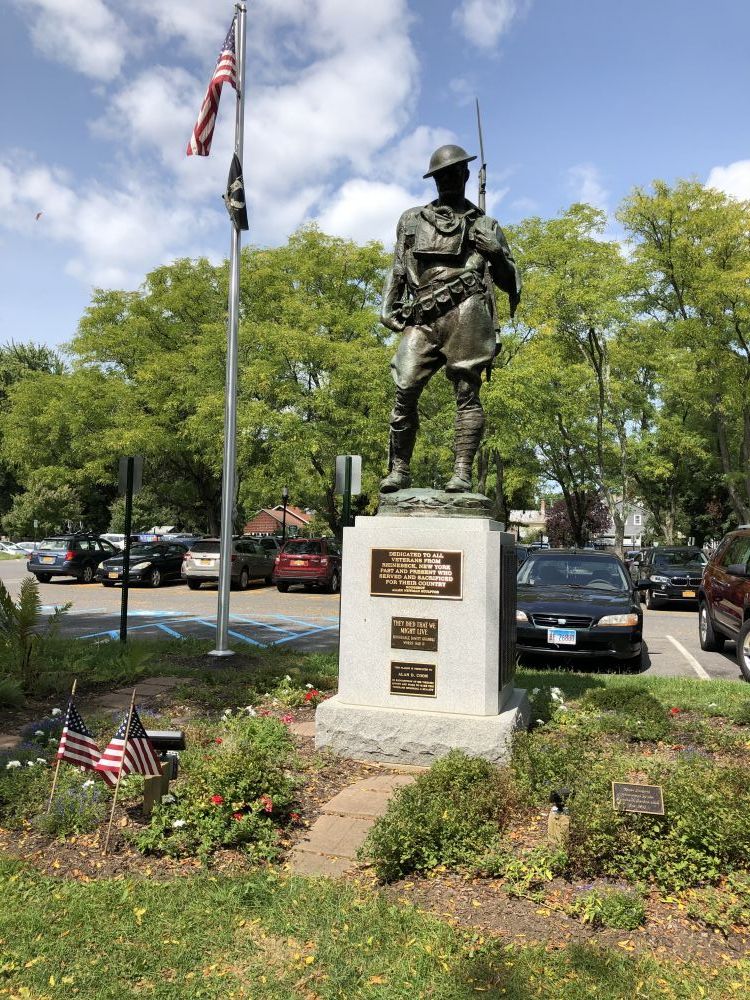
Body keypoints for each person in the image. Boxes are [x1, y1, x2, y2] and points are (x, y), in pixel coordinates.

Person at [379, 144, 521, 494]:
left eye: (454, 173)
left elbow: (509, 281)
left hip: (467, 309)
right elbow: (399, 266)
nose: (447, 179)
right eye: (441, 175)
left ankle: (462, 472)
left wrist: (495, 253)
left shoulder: (484, 224)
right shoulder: (412, 219)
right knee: (404, 387)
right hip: (423, 315)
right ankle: (399, 469)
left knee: (466, 391)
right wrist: (388, 305)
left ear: (466, 174)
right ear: (434, 179)